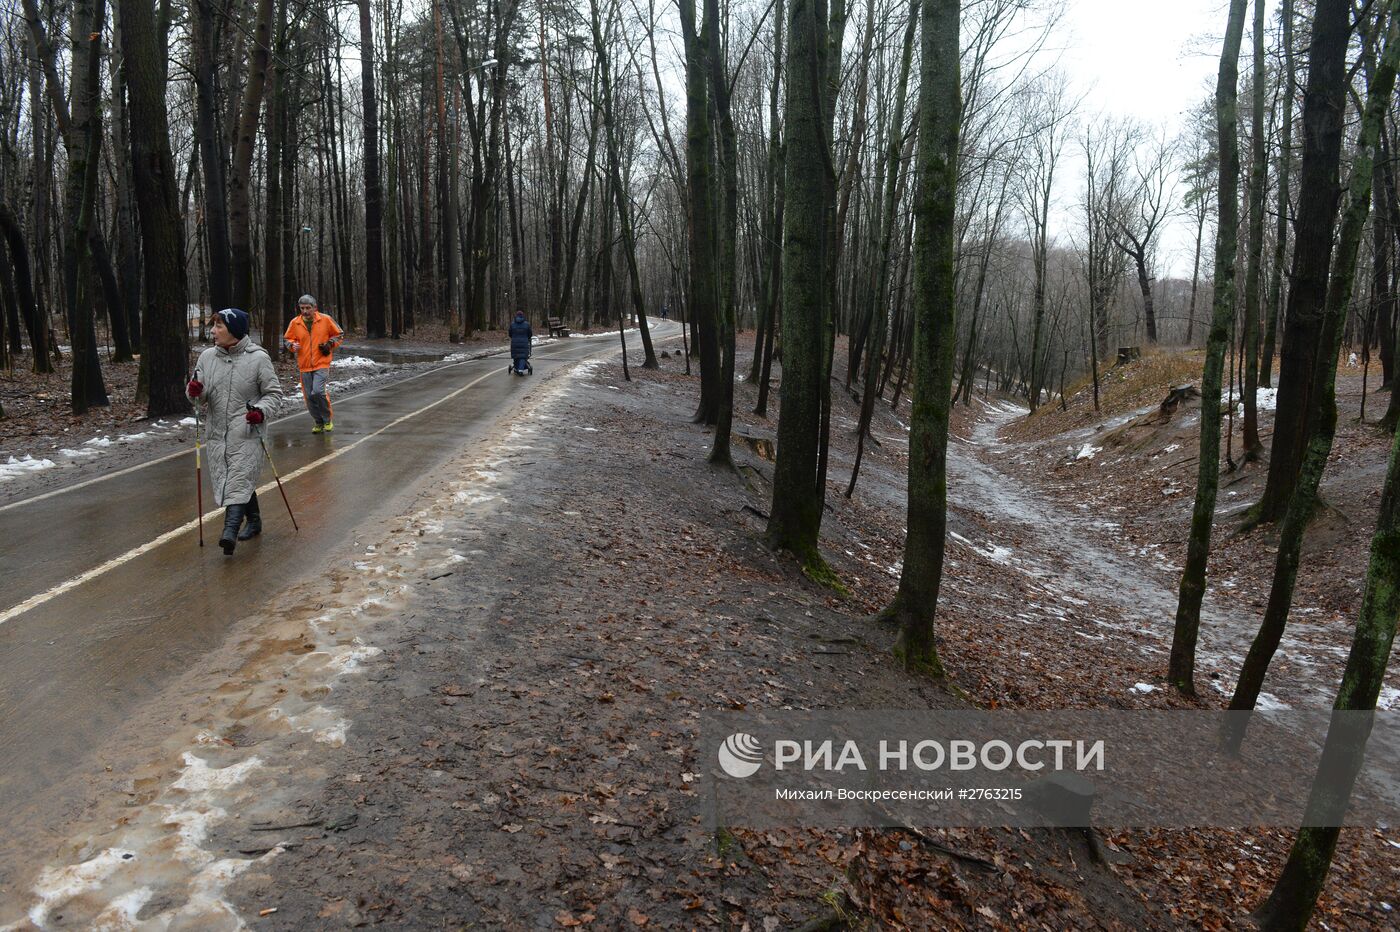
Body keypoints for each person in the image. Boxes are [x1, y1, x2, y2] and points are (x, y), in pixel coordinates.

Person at [187, 308, 283, 555]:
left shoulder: (258, 358)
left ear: (235, 331)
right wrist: (194, 390)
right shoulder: (207, 357)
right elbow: (198, 395)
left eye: (219, 326)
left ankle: (229, 531)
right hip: (217, 432)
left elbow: (274, 394)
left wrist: (260, 411)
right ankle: (254, 520)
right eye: (214, 326)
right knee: (233, 478)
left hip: (247, 430)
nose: (213, 331)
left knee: (238, 478)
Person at [283, 294, 343, 433]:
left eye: (308, 308)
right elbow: (287, 339)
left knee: (317, 391)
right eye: (302, 308)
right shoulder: (295, 323)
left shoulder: (325, 319)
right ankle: (318, 422)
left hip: (321, 362)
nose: (305, 311)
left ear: (314, 308)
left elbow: (339, 334)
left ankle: (327, 420)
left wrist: (329, 344)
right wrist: (292, 346)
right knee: (309, 397)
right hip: (304, 365)